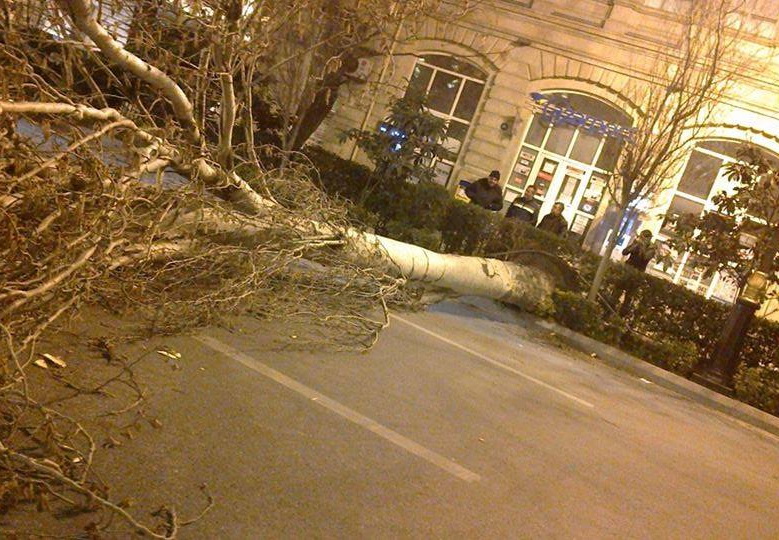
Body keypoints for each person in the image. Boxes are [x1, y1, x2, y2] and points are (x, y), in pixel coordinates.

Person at [614, 229, 657, 317]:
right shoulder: (636, 244)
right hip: (627, 270)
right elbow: (625, 252)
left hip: (637, 274)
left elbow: (645, 257)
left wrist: (642, 246)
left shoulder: (651, 249)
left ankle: (620, 317)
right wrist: (635, 244)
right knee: (616, 292)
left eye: (645, 238)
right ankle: (608, 311)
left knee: (628, 298)